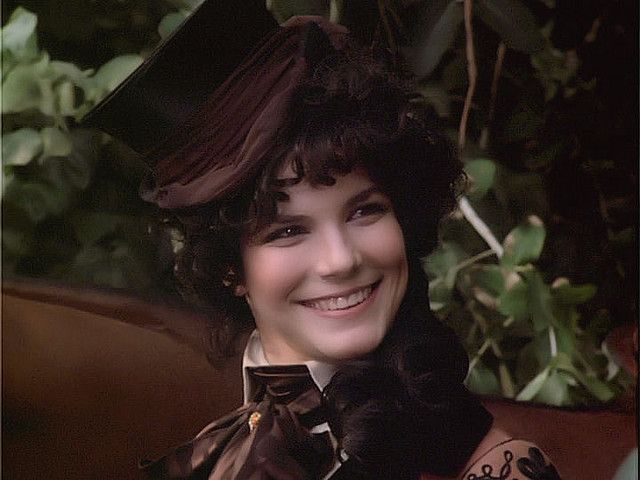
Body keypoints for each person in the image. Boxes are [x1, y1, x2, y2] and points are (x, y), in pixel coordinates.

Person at [85, 2, 561, 479]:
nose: (340, 260)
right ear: (229, 269)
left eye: (365, 211)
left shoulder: (497, 466)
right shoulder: (228, 449)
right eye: (288, 231)